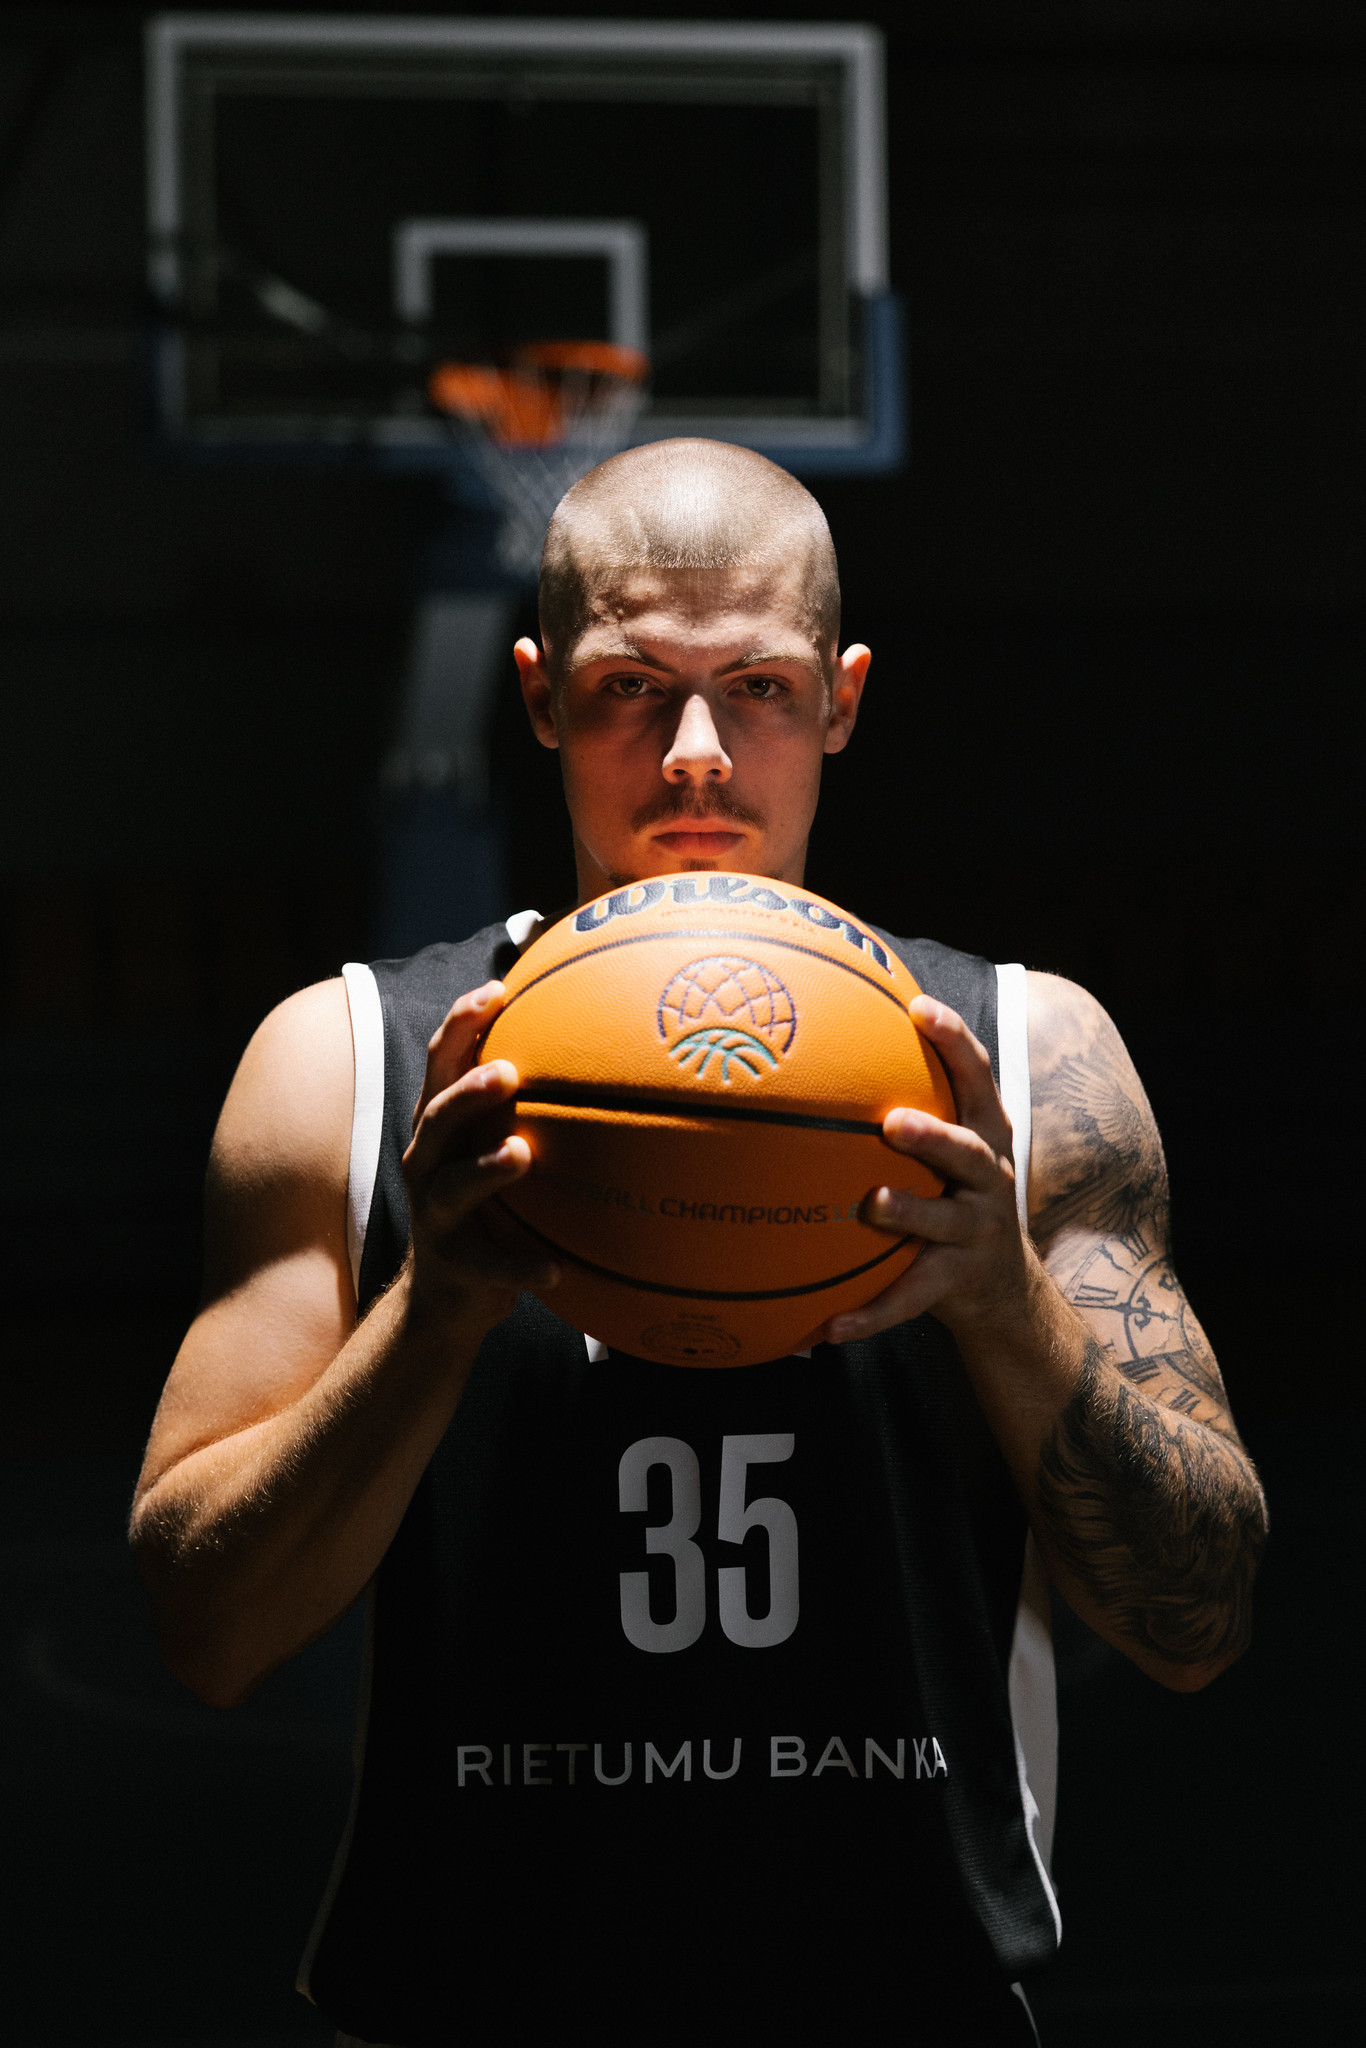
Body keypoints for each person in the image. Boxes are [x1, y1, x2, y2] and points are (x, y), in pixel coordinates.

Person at [130, 440, 1267, 2048]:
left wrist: (1005, 1304)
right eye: (628, 689)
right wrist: (432, 1314)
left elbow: (1198, 1618)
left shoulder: (1023, 1060)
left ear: (842, 700)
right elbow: (208, 1631)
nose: (694, 756)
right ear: (537, 696)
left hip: (902, 2012)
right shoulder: (349, 1066)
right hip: (471, 2013)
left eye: (758, 690)